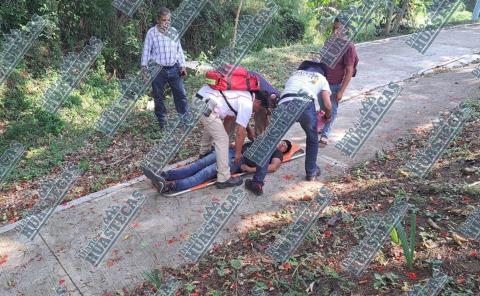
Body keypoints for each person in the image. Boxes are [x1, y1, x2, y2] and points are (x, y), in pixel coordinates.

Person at [244, 61, 333, 196]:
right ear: (321, 71)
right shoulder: (321, 78)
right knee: (312, 139)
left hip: (285, 105)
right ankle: (311, 172)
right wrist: (327, 116)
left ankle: (257, 182)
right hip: (306, 105)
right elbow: (327, 104)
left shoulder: (295, 74)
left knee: (268, 143)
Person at [142, 140, 292, 193]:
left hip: (237, 162)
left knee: (204, 173)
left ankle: (170, 186)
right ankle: (164, 176)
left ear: (284, 150)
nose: (281, 144)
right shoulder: (264, 140)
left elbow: (273, 167)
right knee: (198, 164)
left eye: (285, 146)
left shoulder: (277, 152)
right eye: (282, 142)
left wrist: (251, 170)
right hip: (231, 151)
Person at [196, 84, 267, 189]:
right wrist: (238, 154)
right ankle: (224, 178)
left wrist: (248, 131)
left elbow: (229, 119)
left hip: (199, 98)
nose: (256, 111)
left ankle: (204, 153)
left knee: (212, 125)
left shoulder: (243, 94)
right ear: (258, 102)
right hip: (208, 104)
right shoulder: (247, 104)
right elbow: (240, 132)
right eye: (258, 109)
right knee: (223, 140)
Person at [141, 7, 189, 129]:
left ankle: (184, 119)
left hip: (174, 68)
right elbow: (146, 50)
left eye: (168, 20)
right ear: (158, 20)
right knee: (158, 96)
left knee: (181, 94)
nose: (166, 23)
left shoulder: (173, 31)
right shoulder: (151, 33)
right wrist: (144, 68)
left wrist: (182, 65)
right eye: (164, 20)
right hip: (158, 69)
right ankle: (162, 121)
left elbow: (179, 50)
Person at [318, 17, 359, 146]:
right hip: (322, 81)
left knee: (332, 109)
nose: (336, 31)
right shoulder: (329, 41)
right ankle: (322, 127)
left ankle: (325, 134)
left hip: (335, 84)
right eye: (335, 28)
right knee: (323, 108)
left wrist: (341, 90)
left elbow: (349, 70)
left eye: (339, 29)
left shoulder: (349, 47)